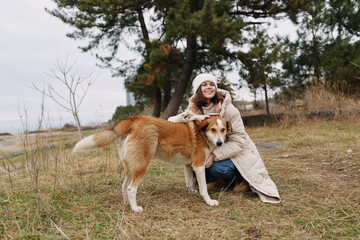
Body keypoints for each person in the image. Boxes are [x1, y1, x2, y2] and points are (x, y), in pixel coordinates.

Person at [168, 73, 280, 203]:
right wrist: (193, 117)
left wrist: (214, 155)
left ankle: (239, 181)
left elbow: (239, 141)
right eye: (204, 85)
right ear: (198, 90)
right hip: (207, 150)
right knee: (202, 163)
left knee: (217, 168)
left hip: (234, 152)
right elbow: (171, 122)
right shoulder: (193, 109)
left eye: (212, 84)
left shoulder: (229, 109)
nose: (209, 87)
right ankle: (218, 181)